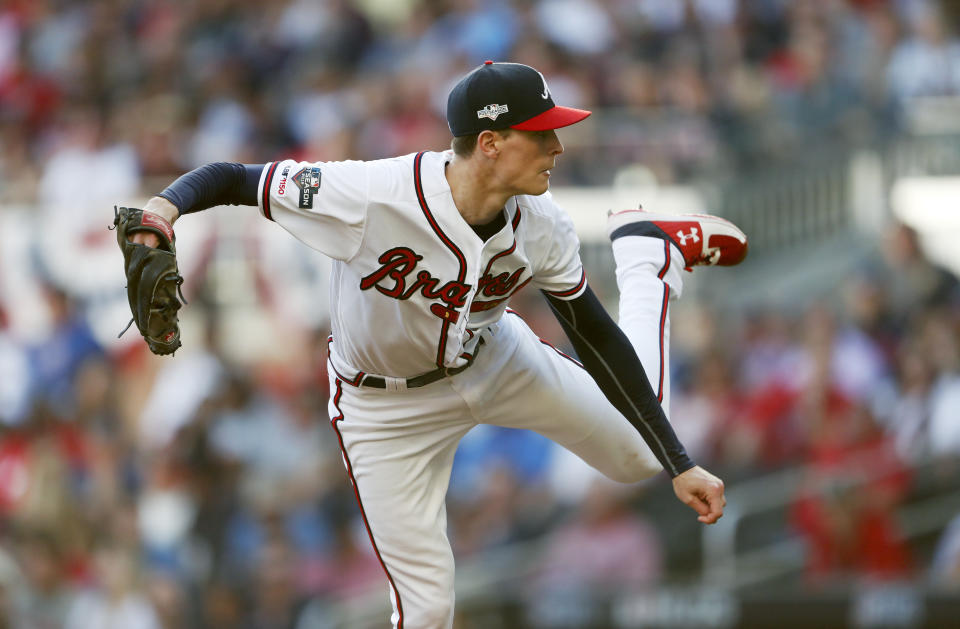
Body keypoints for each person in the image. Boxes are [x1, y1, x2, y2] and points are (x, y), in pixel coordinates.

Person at [127, 61, 747, 629]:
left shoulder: (543, 222)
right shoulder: (370, 194)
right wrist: (162, 210)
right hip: (384, 410)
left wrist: (679, 458)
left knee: (642, 455)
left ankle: (644, 254)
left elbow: (596, 335)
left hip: (495, 356)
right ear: (490, 142)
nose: (557, 146)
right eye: (541, 134)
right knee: (426, 612)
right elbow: (237, 178)